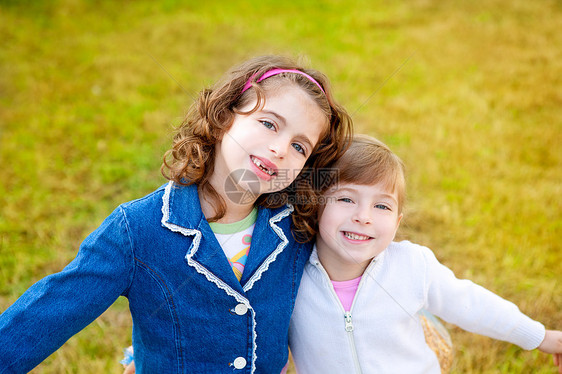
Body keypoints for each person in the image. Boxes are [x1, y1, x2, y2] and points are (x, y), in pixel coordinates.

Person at [0, 55, 353, 373]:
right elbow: (50, 312)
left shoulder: (297, 227)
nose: (279, 149)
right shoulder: (137, 230)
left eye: (298, 146)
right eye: (269, 124)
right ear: (224, 116)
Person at [288, 134, 562, 373]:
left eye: (382, 206)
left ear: (397, 222)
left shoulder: (411, 266)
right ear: (316, 205)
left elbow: (473, 305)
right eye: (346, 199)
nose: (363, 217)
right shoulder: (289, 274)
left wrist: (539, 337)